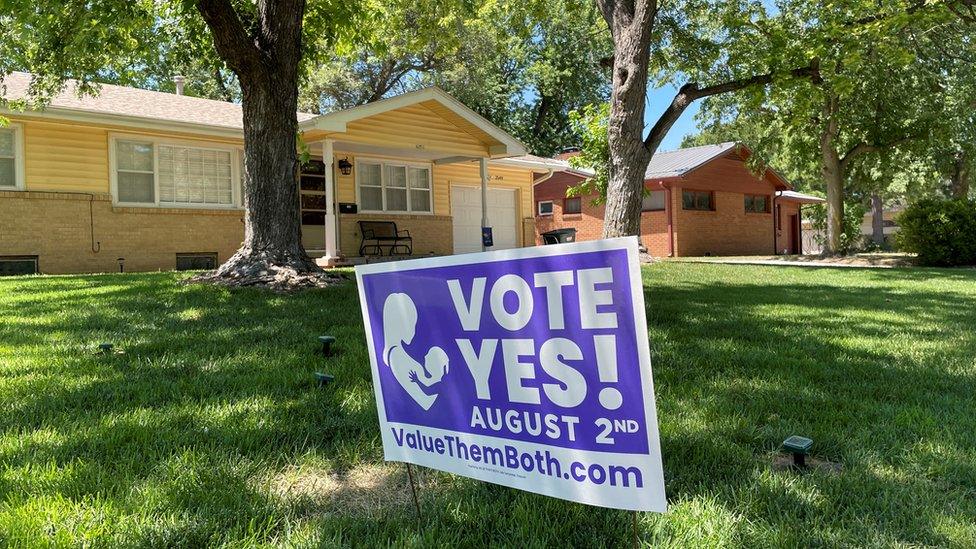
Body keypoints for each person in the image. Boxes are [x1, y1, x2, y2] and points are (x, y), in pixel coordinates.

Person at [381, 293, 448, 411]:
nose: (414, 328)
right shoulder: (396, 355)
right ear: (399, 324)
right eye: (412, 322)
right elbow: (424, 398)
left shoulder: (396, 353)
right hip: (431, 403)